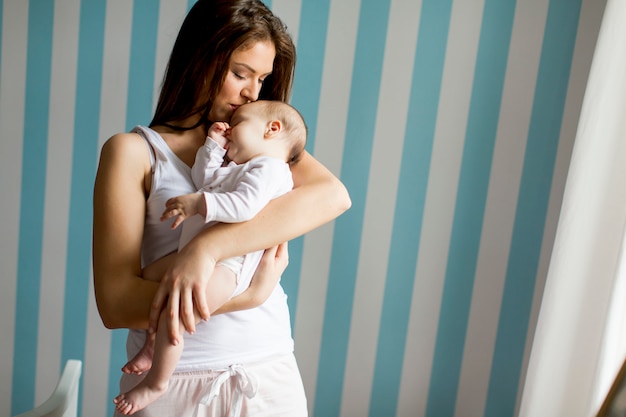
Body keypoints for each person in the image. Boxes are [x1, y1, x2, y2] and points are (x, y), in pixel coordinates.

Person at [92, 0, 351, 416]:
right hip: (172, 383)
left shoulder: (264, 150)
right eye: (239, 73)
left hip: (267, 372)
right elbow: (117, 304)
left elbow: (334, 196)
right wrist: (248, 295)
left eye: (262, 79)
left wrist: (205, 250)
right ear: (199, 60)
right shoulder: (134, 152)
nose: (252, 92)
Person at [113, 100, 308, 415]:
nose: (230, 128)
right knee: (151, 282)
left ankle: (156, 382)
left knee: (178, 307)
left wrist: (196, 204)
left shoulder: (270, 168)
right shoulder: (240, 167)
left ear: (271, 130)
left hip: (228, 266)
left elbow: (243, 206)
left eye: (239, 122)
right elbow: (205, 181)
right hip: (193, 256)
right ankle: (151, 346)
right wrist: (213, 147)